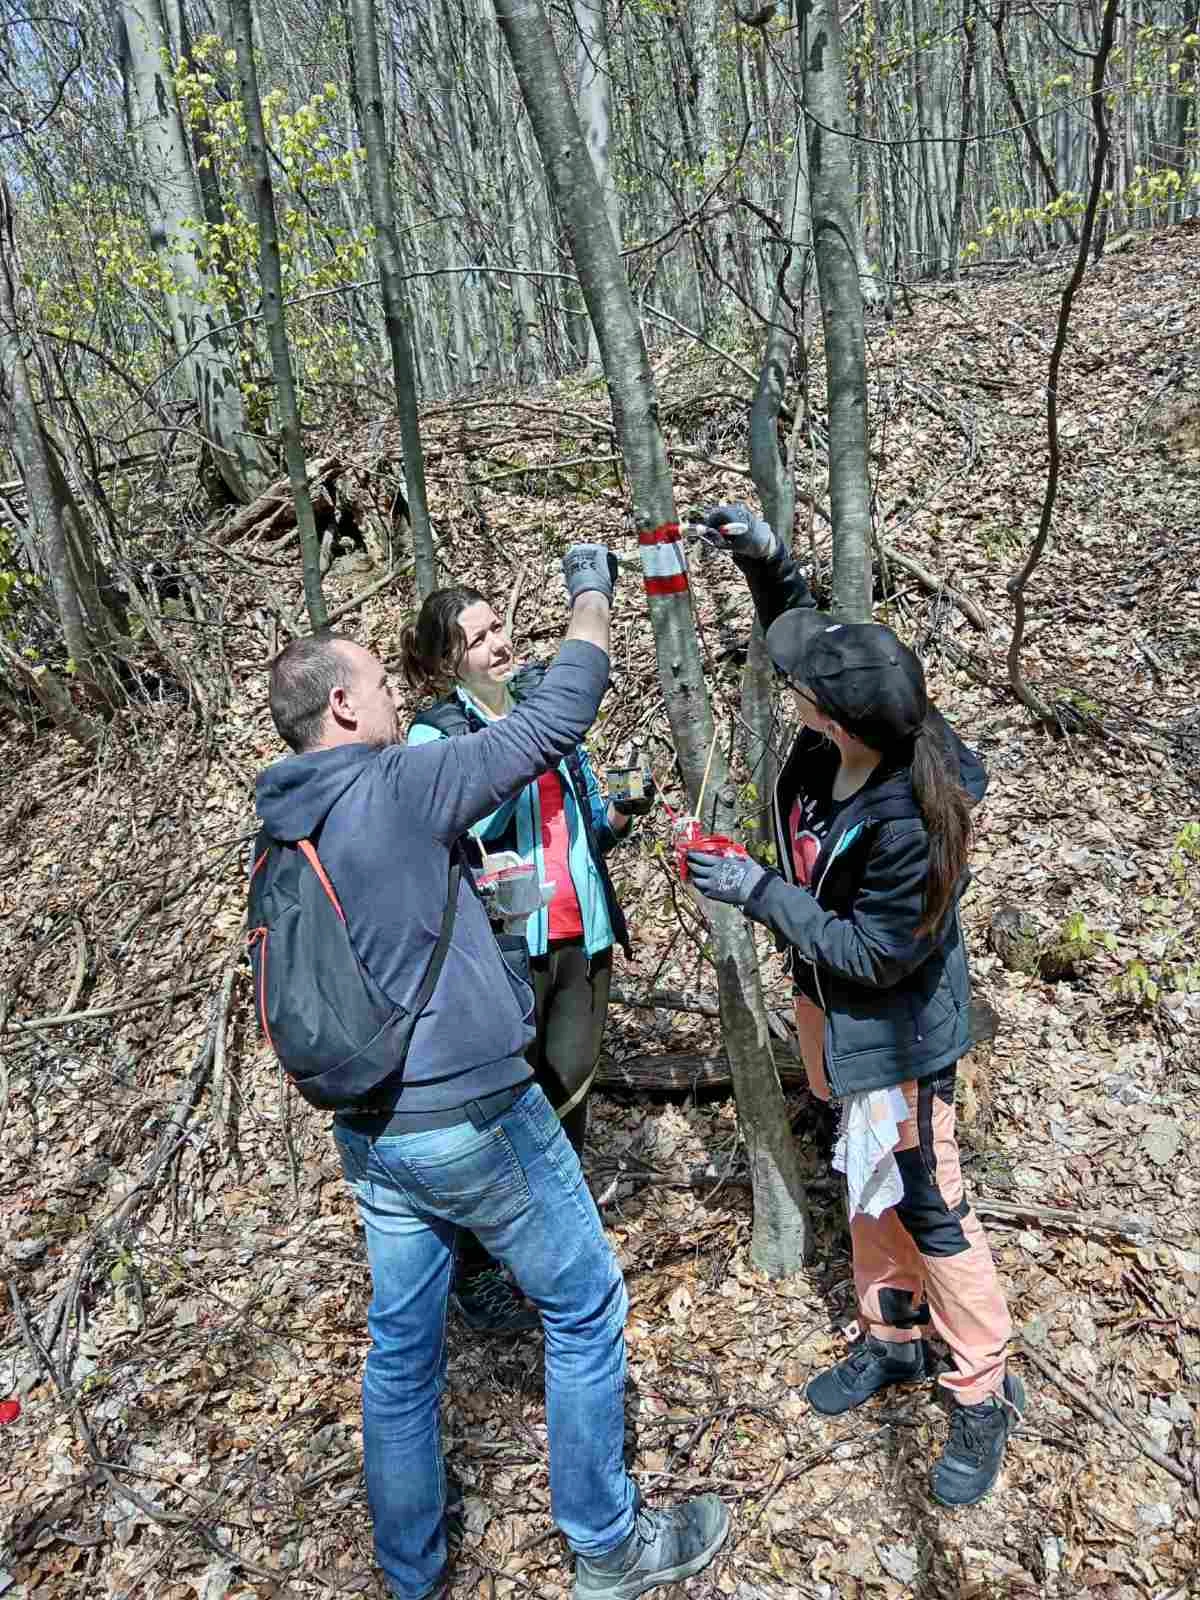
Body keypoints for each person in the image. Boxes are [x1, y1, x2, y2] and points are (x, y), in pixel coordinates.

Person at [254, 545, 728, 1600]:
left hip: (372, 1133)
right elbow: (555, 716)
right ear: (341, 705)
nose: (391, 693)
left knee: (401, 1357)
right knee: (587, 1304)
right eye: (378, 682)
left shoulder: (285, 822)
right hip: (470, 1113)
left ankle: (412, 1572)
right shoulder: (399, 780)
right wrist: (593, 598)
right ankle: (608, 1544)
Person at [684, 503, 1023, 1510]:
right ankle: (894, 1338)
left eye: (804, 694)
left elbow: (876, 954)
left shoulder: (913, 815)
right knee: (865, 1175)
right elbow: (821, 641)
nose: (793, 690)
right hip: (828, 1007)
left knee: (928, 1195)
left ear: (834, 718)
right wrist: (769, 563)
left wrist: (755, 890)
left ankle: (981, 1389)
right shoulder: (866, 714)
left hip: (897, 1026)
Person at [402, 584, 653, 1335]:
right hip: (499, 949)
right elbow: (455, 830)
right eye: (478, 638)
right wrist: (526, 743)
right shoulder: (434, 737)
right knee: (503, 1109)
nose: (500, 644)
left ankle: (551, 1253)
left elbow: (578, 829)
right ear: (450, 660)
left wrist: (617, 813)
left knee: (569, 1091)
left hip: (580, 930)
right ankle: (477, 1268)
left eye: (499, 625)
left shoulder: (543, 713)